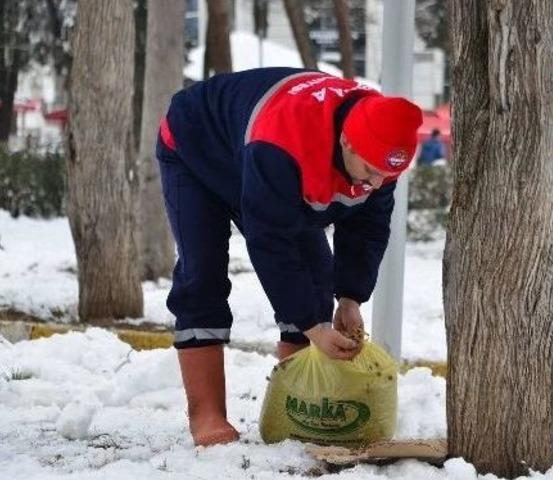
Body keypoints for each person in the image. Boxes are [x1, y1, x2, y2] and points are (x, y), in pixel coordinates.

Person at [156, 67, 423, 447]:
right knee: (202, 275)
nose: (376, 183)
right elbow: (271, 240)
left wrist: (350, 297)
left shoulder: (381, 152)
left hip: (255, 150)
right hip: (198, 147)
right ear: (347, 142)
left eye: (387, 175)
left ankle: (296, 405)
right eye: (370, 171)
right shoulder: (285, 142)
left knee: (315, 284)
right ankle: (207, 415)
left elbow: (368, 228)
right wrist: (313, 329)